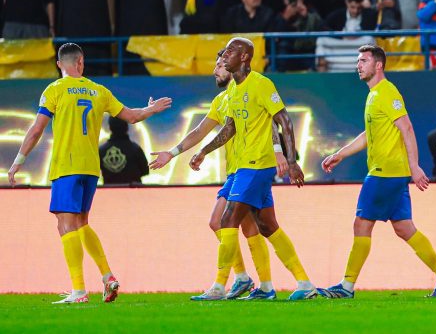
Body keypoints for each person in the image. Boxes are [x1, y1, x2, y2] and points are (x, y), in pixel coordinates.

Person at [7, 43, 172, 304]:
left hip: (66, 166)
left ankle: (78, 290)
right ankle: (107, 277)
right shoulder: (99, 91)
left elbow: (37, 129)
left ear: (60, 64)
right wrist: (150, 109)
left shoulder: (55, 89)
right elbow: (131, 116)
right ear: (81, 62)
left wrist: (18, 161)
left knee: (65, 225)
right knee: (82, 223)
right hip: (91, 169)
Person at [319, 45, 436, 299]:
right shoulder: (374, 95)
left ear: (378, 65)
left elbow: (406, 127)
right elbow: (368, 135)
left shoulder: (387, 91)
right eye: (358, 61)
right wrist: (341, 153)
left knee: (361, 224)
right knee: (405, 228)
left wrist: (415, 166)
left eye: (363, 60)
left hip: (385, 172)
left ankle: (346, 286)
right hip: (390, 172)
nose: (358, 65)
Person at [188, 37, 320, 301]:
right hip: (244, 167)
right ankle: (302, 285)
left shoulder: (261, 84)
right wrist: (204, 151)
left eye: (230, 51)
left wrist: (291, 160)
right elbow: (230, 128)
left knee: (226, 221)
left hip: (256, 165)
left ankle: (219, 285)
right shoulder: (234, 91)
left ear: (245, 57)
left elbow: (283, 120)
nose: (224, 56)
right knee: (268, 226)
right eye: (224, 52)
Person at [149, 51, 279, 301]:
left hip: (252, 167)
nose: (215, 70)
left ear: (233, 66)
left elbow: (273, 121)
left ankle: (233, 284)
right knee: (246, 227)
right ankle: (258, 283)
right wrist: (172, 152)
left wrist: (279, 154)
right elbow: (200, 130)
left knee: (228, 222)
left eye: (220, 65)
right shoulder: (222, 100)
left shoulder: (252, 88)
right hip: (236, 170)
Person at [277, 0, 327, 71]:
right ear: (285, 0)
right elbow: (276, 36)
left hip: (306, 50)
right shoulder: (281, 14)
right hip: (288, 51)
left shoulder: (311, 12)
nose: (293, 2)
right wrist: (285, 18)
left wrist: (306, 17)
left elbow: (322, 29)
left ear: (302, 0)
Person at [99, 117, 149, 186]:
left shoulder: (101, 151)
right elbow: (145, 171)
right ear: (126, 127)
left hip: (110, 194)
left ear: (110, 128)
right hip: (134, 194)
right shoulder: (135, 149)